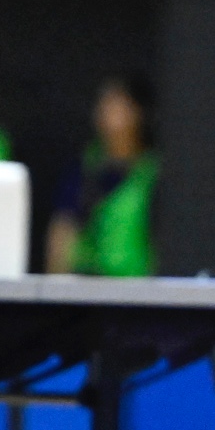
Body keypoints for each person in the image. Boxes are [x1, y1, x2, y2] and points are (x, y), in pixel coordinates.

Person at [45, 73, 159, 277]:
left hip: (136, 284)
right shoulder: (84, 168)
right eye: (105, 104)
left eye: (119, 105)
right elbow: (62, 228)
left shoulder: (152, 172)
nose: (109, 113)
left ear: (138, 112)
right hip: (84, 281)